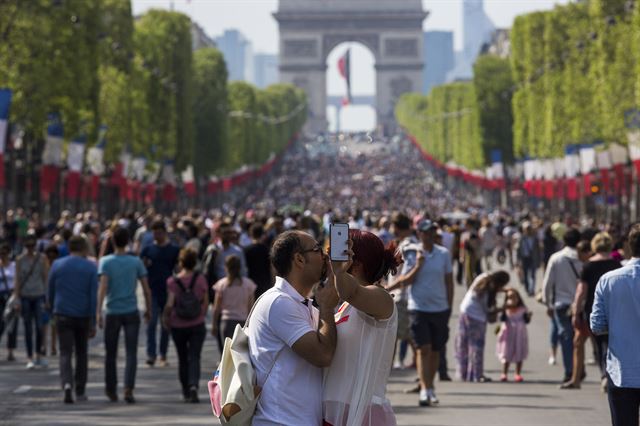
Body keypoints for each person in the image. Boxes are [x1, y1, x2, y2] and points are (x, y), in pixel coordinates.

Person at [246, 230, 339, 425]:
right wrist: (327, 307)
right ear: (299, 259)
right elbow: (323, 355)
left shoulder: (300, 303)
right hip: (280, 421)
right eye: (318, 250)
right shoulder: (279, 302)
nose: (325, 256)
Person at [322, 229, 400, 426]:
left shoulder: (381, 298)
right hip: (332, 412)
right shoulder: (343, 304)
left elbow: (352, 292)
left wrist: (339, 272)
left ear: (355, 264)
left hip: (364, 414)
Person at [591, 223, 640, 426]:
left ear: (629, 246)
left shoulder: (609, 280)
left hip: (622, 371)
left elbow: (597, 325)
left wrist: (621, 325)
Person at [401, 219, 453, 406]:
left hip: (439, 308)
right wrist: (418, 265)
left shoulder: (444, 254)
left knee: (435, 350)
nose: (429, 235)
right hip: (418, 307)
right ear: (419, 234)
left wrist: (449, 306)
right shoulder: (413, 253)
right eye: (426, 232)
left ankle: (430, 387)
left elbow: (449, 281)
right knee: (423, 349)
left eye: (432, 231)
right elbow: (405, 280)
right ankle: (424, 389)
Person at [97, 227, 152, 404]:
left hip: (112, 311)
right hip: (131, 311)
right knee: (131, 353)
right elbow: (145, 288)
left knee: (110, 353)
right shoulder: (135, 262)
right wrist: (149, 309)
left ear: (112, 242)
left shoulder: (105, 262)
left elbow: (103, 288)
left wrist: (98, 311)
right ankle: (128, 388)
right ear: (128, 240)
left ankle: (111, 388)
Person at [47, 236, 98, 404]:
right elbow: (93, 297)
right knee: (82, 353)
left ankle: (67, 384)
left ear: (69, 248)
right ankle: (80, 389)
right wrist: (93, 320)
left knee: (65, 352)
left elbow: (51, 289)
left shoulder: (57, 265)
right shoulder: (90, 267)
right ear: (84, 248)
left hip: (62, 313)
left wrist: (51, 308)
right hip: (82, 315)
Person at [162, 248, 209, 403]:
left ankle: (185, 390)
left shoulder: (172, 282)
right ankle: (194, 384)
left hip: (178, 324)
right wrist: (201, 313)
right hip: (197, 323)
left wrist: (165, 317)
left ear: (180, 262)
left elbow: (169, 304)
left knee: (182, 358)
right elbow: (206, 300)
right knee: (195, 356)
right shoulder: (200, 279)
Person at [542, 227, 582, 383]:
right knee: (581, 339)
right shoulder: (582, 258)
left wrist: (548, 304)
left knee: (566, 338)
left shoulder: (556, 258)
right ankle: (580, 369)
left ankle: (570, 371)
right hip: (579, 305)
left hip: (561, 304)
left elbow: (547, 283)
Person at [455, 270, 510, 382]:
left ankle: (463, 372)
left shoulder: (483, 277)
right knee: (477, 347)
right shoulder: (490, 289)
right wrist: (502, 308)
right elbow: (488, 309)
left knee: (463, 344)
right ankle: (476, 374)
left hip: (465, 311)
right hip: (477, 317)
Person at [140, 220, 179, 367]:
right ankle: (151, 355)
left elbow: (178, 269)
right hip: (152, 292)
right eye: (154, 233)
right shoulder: (148, 250)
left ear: (165, 232)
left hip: (168, 292)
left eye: (159, 233)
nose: (156, 236)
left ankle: (163, 354)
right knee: (151, 323)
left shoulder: (174, 250)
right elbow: (141, 267)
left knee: (165, 324)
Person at [14, 234, 49, 369]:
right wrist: (17, 298)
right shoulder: (19, 260)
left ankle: (39, 354)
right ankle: (30, 357)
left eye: (32, 246)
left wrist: (47, 298)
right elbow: (17, 280)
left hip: (39, 295)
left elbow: (46, 278)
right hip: (25, 296)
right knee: (28, 328)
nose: (29, 248)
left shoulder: (42, 259)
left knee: (40, 326)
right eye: (27, 246)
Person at [211, 255, 256, 342]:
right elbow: (251, 307)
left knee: (226, 353)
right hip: (243, 322)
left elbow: (216, 308)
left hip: (227, 322)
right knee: (241, 354)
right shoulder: (248, 284)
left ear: (226, 267)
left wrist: (214, 324)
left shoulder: (221, 284)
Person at [496, 288, 530, 382]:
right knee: (506, 353)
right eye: (510, 297)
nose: (512, 299)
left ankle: (517, 373)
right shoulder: (506, 310)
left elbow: (527, 320)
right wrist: (504, 308)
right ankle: (504, 373)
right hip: (508, 334)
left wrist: (528, 316)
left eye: (514, 297)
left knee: (519, 352)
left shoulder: (522, 309)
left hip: (519, 334)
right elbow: (502, 319)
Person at [243, 223, 272, 298]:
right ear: (262, 234)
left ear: (251, 234)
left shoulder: (246, 250)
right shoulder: (267, 249)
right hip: (265, 283)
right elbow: (271, 268)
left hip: (251, 282)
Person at [0, 242, 18, 361]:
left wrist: (16, 296)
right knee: (0, 324)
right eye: (1, 254)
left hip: (11, 295)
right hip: (0, 296)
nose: (3, 256)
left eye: (5, 253)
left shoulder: (14, 266)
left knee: (12, 324)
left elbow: (18, 281)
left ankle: (11, 351)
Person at [516, 222, 541, 296]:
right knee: (526, 275)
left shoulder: (535, 238)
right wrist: (518, 260)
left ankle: (532, 289)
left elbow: (538, 250)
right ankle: (527, 288)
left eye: (529, 229)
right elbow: (518, 250)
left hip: (533, 258)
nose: (528, 230)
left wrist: (539, 260)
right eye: (526, 229)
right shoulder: (521, 239)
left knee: (533, 275)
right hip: (524, 258)